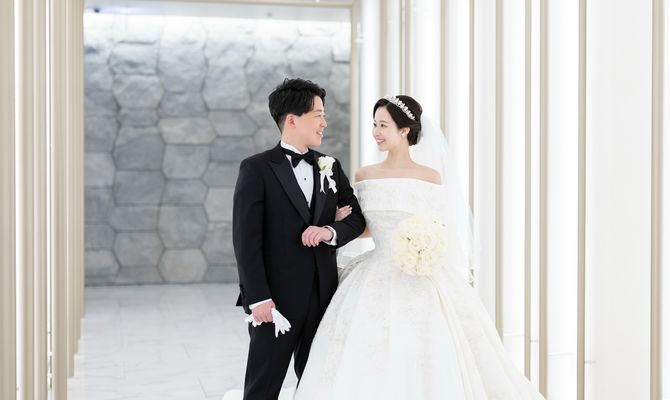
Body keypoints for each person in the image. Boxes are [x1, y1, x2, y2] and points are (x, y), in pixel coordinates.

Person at [293, 95, 546, 399]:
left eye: (383, 125)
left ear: (404, 130)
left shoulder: (430, 177)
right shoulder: (364, 175)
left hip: (422, 274)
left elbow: (441, 228)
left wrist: (425, 249)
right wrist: (336, 222)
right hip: (373, 272)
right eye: (374, 124)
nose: (375, 132)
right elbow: (366, 228)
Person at [232, 78, 366, 400]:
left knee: (317, 386)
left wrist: (330, 231)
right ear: (292, 120)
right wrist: (258, 298)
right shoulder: (256, 169)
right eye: (318, 115)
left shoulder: (330, 167)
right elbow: (246, 240)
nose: (324, 122)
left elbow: (357, 219)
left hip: (324, 299)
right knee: (262, 387)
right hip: (275, 302)